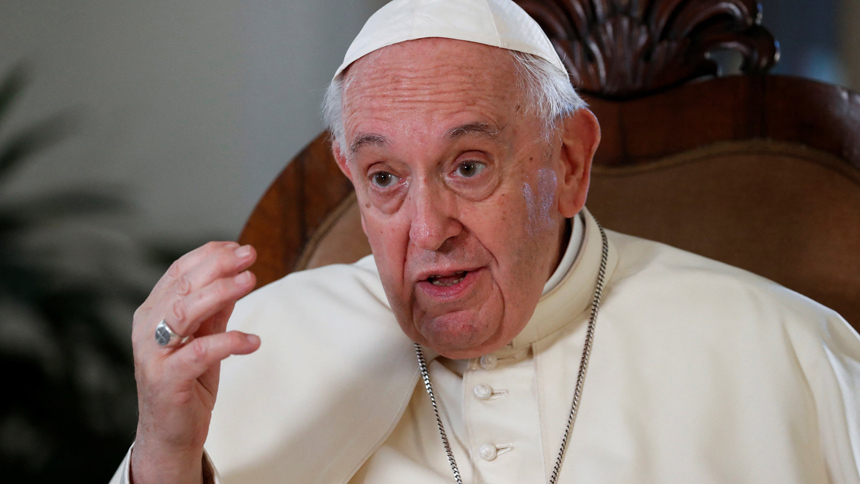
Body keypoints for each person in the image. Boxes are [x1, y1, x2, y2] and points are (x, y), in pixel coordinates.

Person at [111, 0, 860, 482]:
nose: (430, 230)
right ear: (348, 176)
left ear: (568, 163)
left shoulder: (782, 350)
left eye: (468, 166)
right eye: (384, 178)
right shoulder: (259, 344)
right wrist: (167, 457)